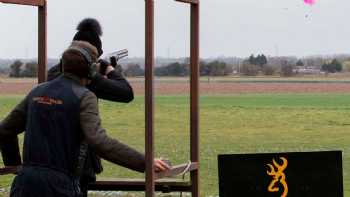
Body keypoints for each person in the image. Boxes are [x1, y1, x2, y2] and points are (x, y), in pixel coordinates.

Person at [0, 41, 170, 197]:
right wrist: (145, 162)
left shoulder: (37, 92)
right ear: (91, 70)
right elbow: (99, 141)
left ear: (62, 65)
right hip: (60, 187)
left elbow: (5, 130)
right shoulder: (84, 96)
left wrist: (17, 167)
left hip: (24, 186)